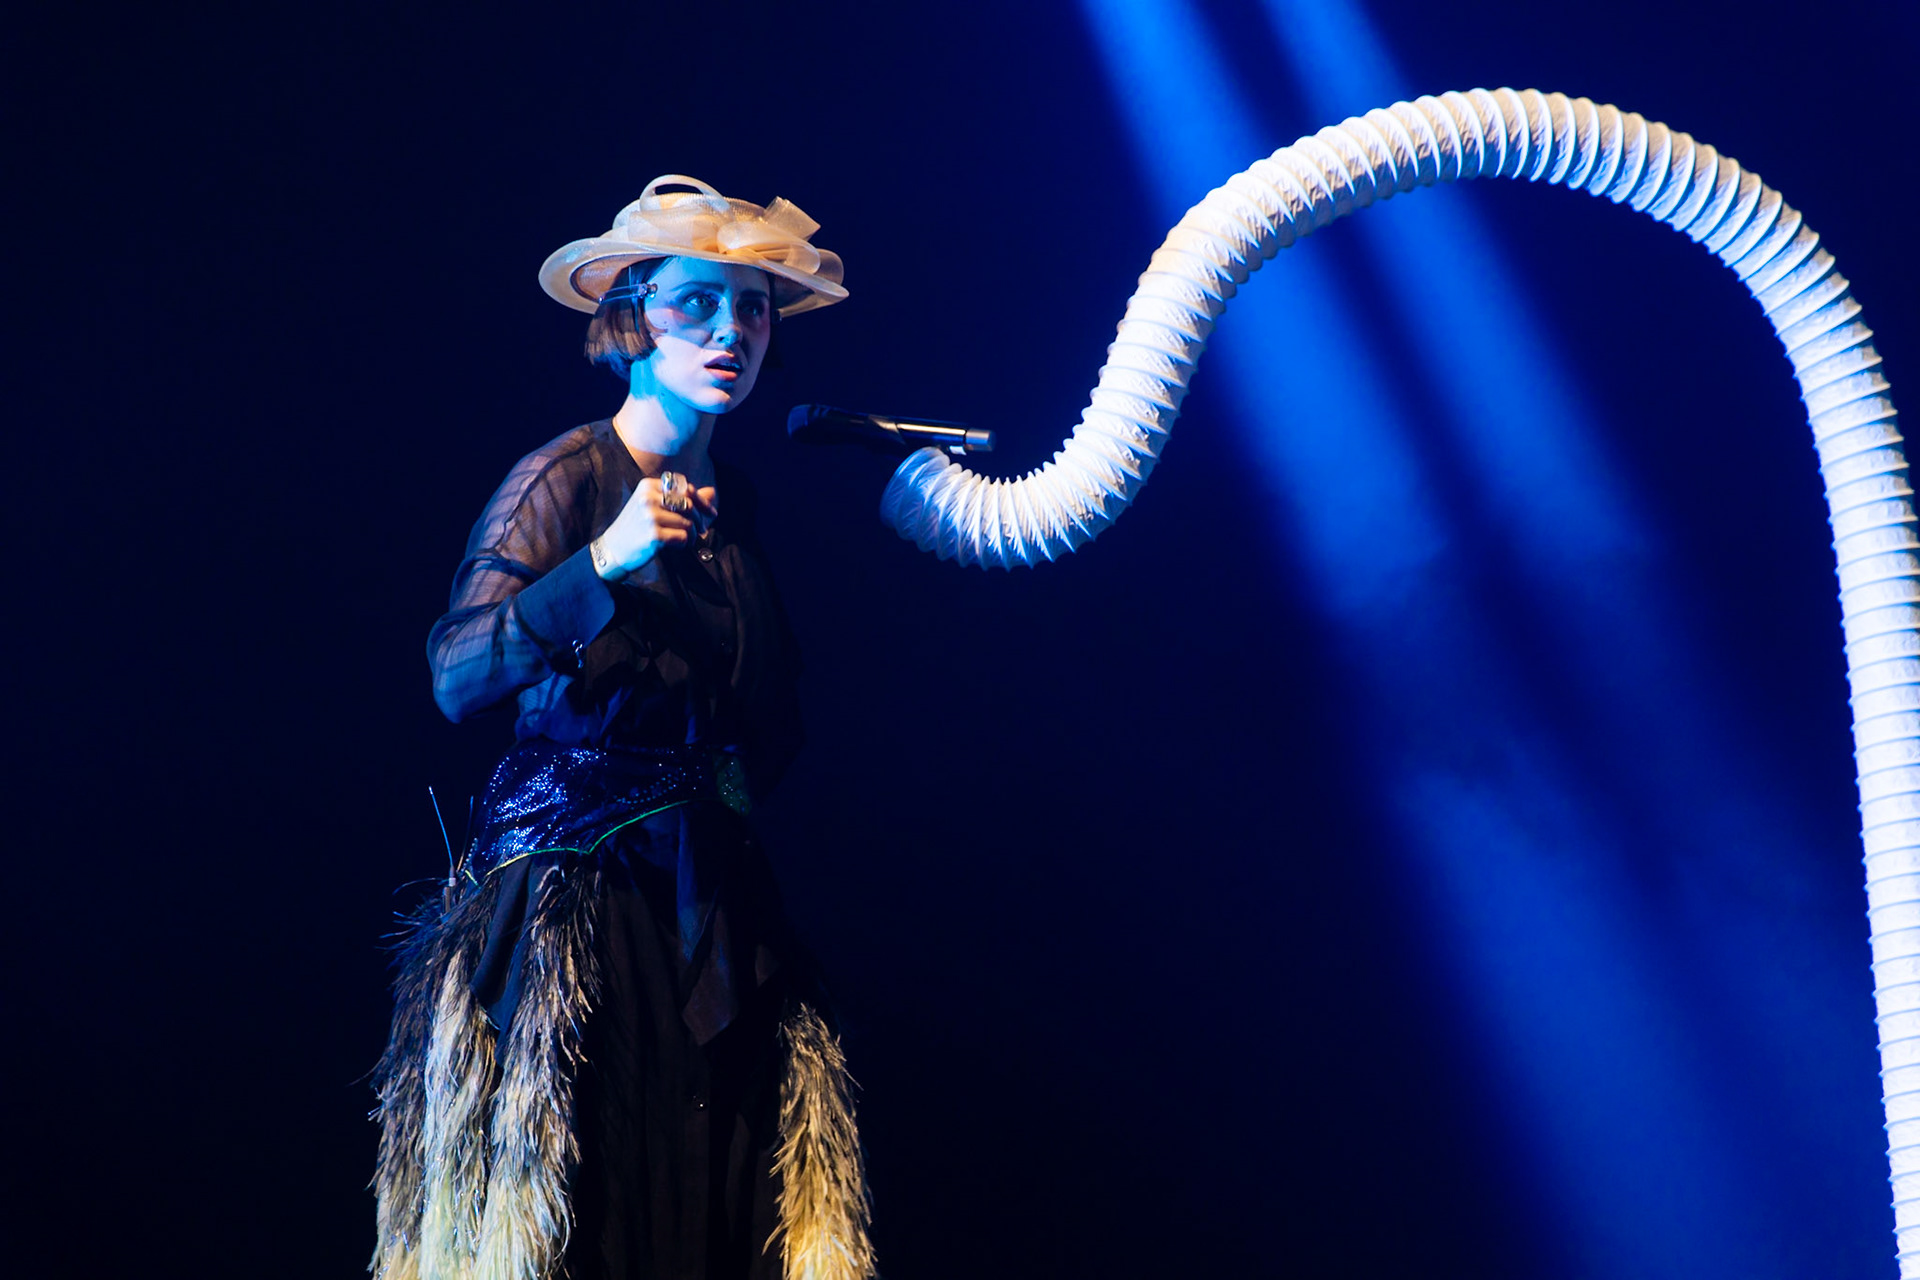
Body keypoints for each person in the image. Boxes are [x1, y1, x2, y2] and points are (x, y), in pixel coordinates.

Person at [370, 176, 873, 1280]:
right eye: (699, 303)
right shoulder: (566, 476)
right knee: (595, 1215)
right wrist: (601, 560)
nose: (731, 332)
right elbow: (456, 672)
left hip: (712, 916)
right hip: (582, 916)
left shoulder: (736, 512)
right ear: (635, 314)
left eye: (751, 308)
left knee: (722, 1214)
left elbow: (768, 734)